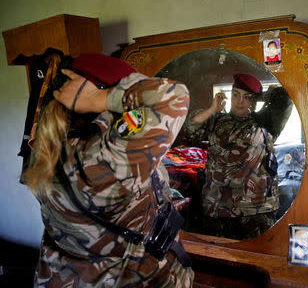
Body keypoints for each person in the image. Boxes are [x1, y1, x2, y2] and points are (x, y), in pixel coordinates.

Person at [22, 53, 194, 287]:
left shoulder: (45, 148)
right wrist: (100, 98)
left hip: (66, 276)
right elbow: (174, 96)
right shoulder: (102, 158)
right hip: (129, 277)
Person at [181, 73, 280, 240]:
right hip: (216, 207)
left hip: (255, 210)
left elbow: (284, 97)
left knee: (255, 261)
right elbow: (187, 129)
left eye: (247, 97)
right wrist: (212, 109)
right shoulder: (215, 120)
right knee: (219, 261)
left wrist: (260, 95)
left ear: (255, 100)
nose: (240, 101)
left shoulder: (265, 122)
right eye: (236, 95)